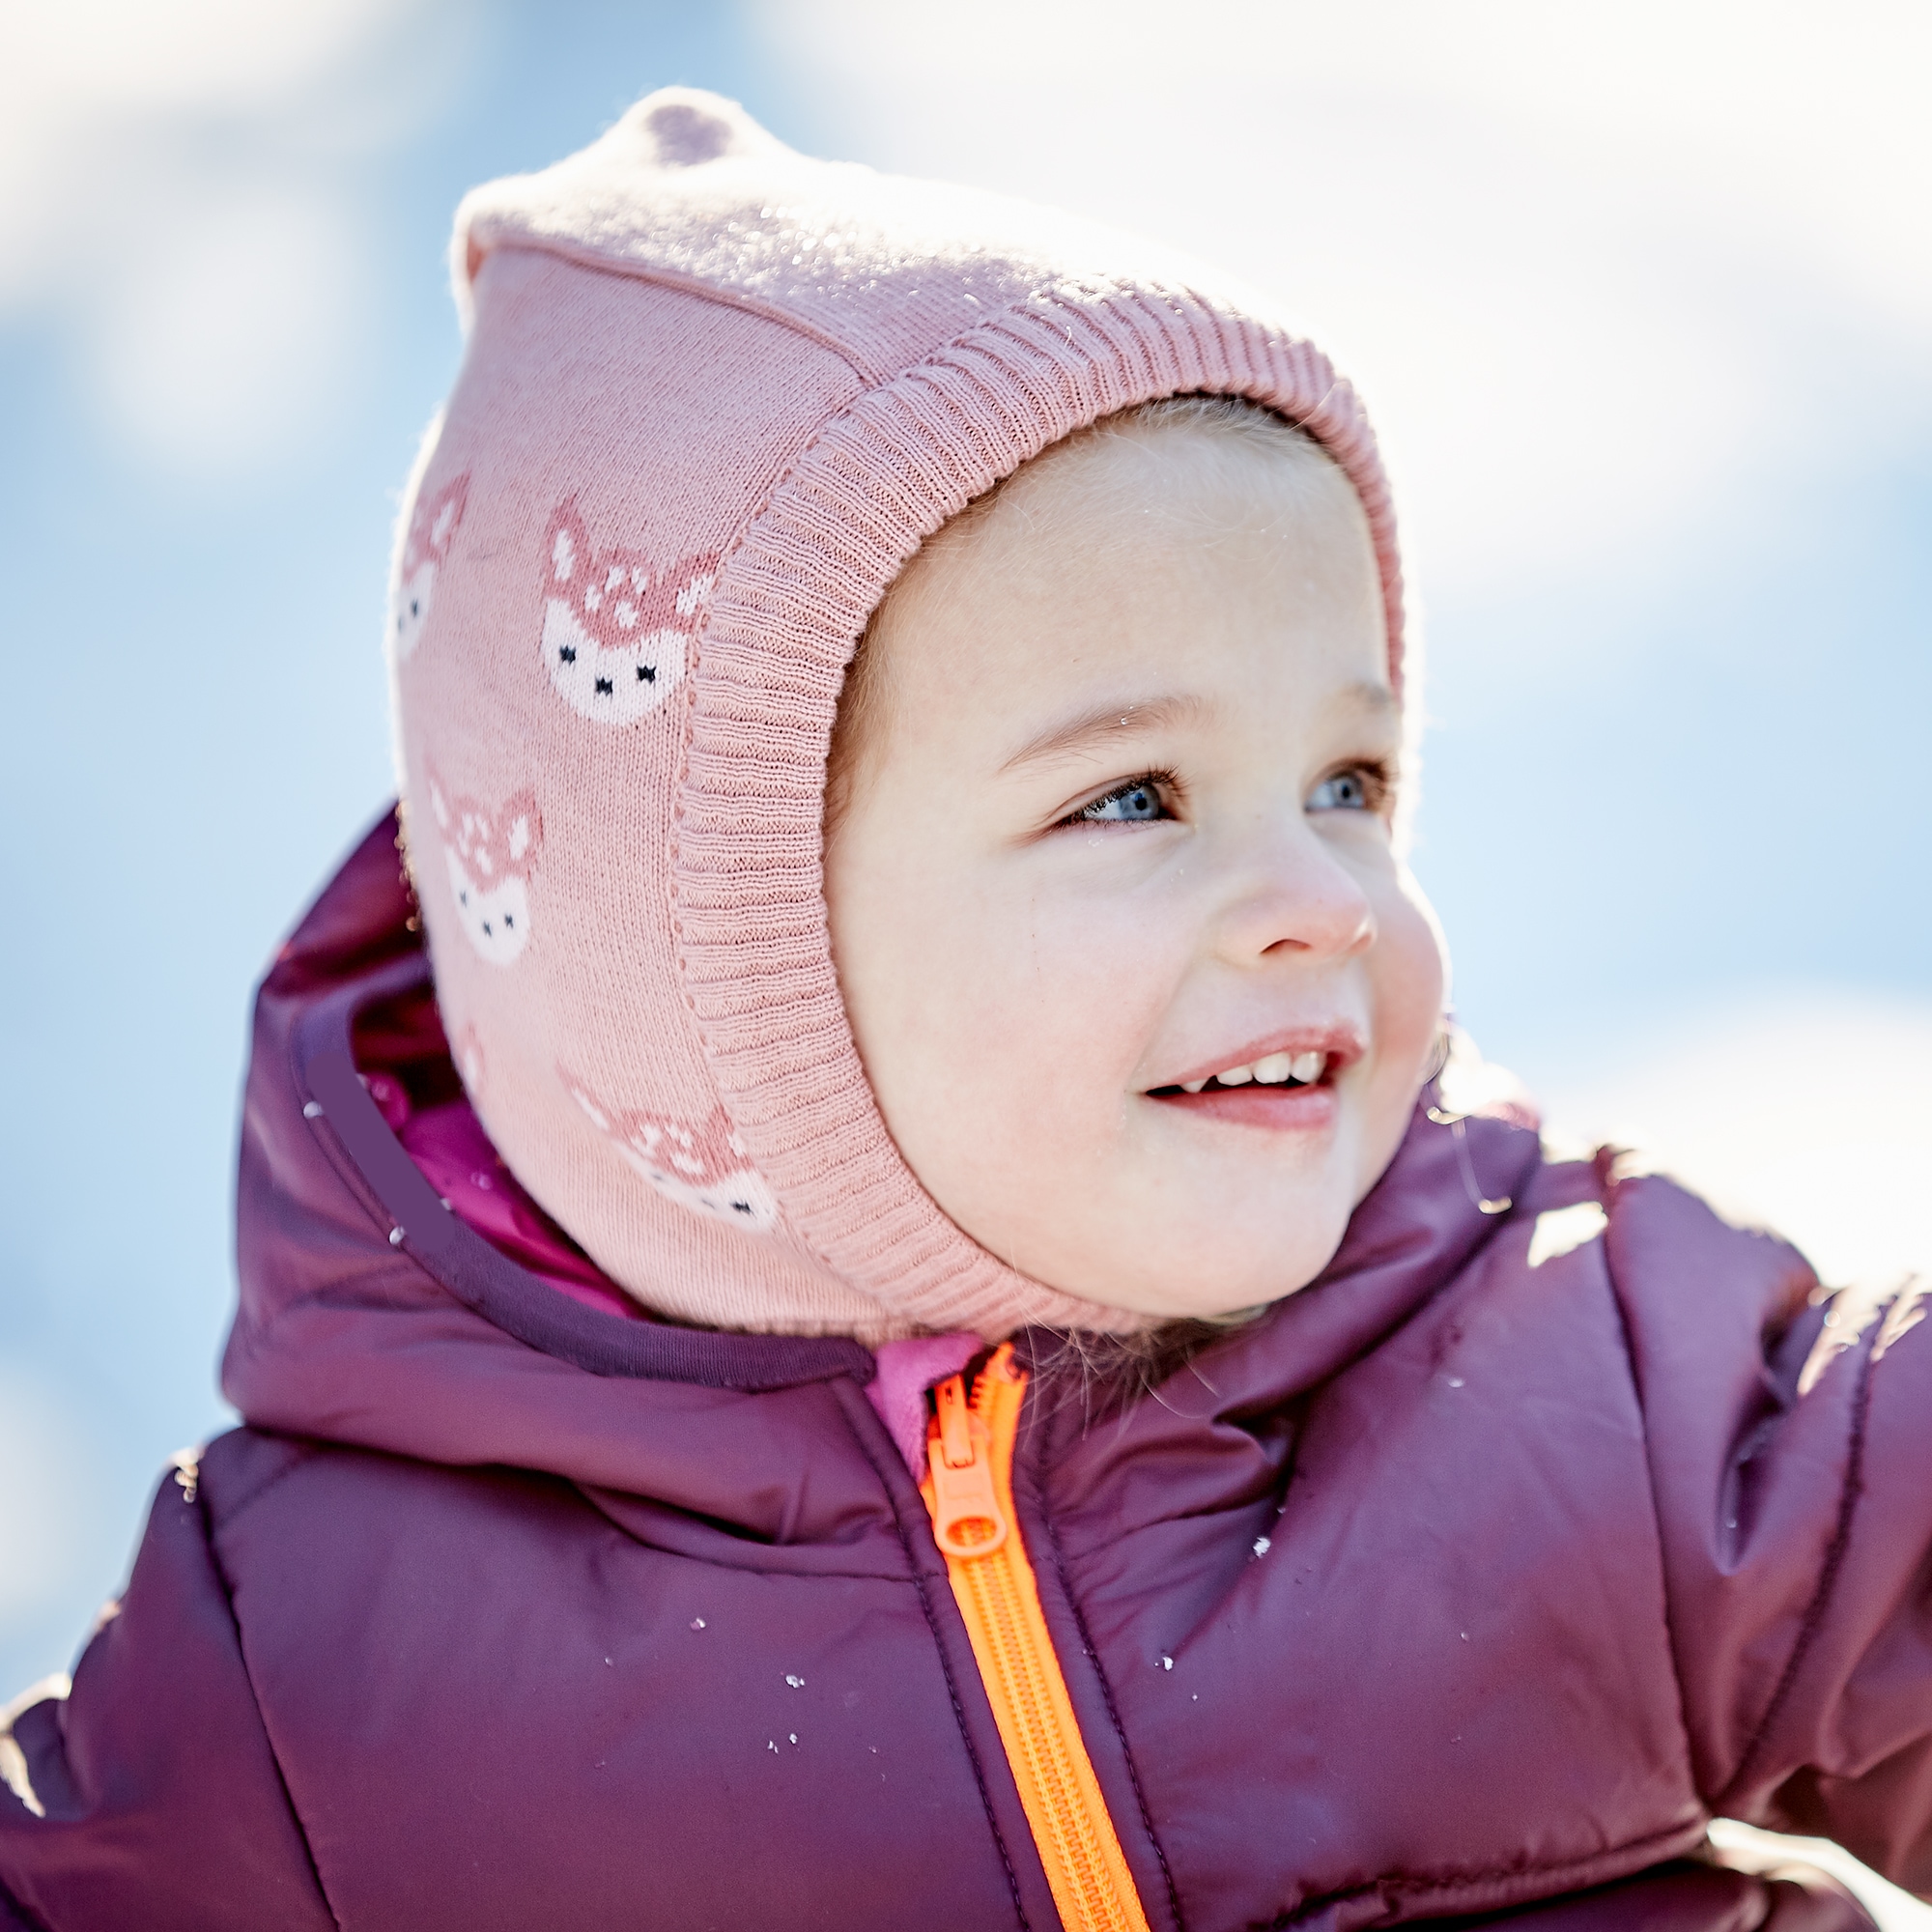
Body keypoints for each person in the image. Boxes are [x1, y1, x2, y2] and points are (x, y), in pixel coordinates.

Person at [2, 87, 1927, 1932]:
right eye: (1130, 800)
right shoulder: (311, 1677)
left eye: (1350, 783)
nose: (1319, 903)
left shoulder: (1579, 1365)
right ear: (697, 949)